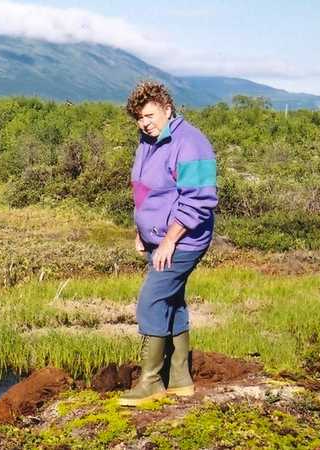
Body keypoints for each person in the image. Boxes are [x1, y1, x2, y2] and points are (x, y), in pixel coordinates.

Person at [119, 81, 218, 407]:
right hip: (158, 239)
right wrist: (142, 231)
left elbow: (200, 201)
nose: (144, 123)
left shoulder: (190, 143)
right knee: (171, 302)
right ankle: (179, 380)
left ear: (166, 107)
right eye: (138, 117)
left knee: (151, 301)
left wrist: (168, 242)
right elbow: (145, 192)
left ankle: (150, 382)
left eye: (148, 115)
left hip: (183, 241)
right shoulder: (148, 142)